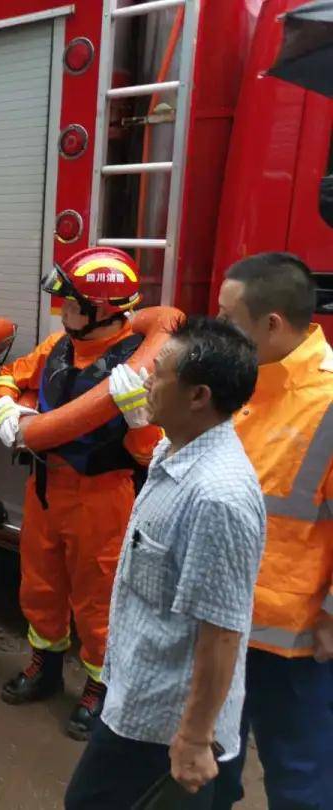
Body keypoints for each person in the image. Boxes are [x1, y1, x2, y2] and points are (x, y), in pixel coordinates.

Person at [65, 316, 265, 810]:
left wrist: (195, 739)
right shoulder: (174, 451)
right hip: (135, 694)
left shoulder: (217, 497)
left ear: (198, 396)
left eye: (159, 373)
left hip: (162, 721)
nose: (146, 380)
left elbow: (221, 631)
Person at [0, 246, 164, 739]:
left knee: (98, 598)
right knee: (40, 583)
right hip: (45, 487)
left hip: (102, 496)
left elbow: (152, 458)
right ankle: (43, 666)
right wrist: (7, 408)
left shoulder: (139, 364)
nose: (60, 308)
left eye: (70, 301)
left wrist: (139, 419)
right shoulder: (56, 348)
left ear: (102, 309)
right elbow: (8, 374)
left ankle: (99, 685)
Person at [211, 253, 333, 810]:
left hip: (294, 639)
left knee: (300, 777)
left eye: (227, 317)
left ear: (272, 325)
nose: (217, 329)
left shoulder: (326, 404)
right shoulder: (249, 381)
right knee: (212, 763)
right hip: (225, 620)